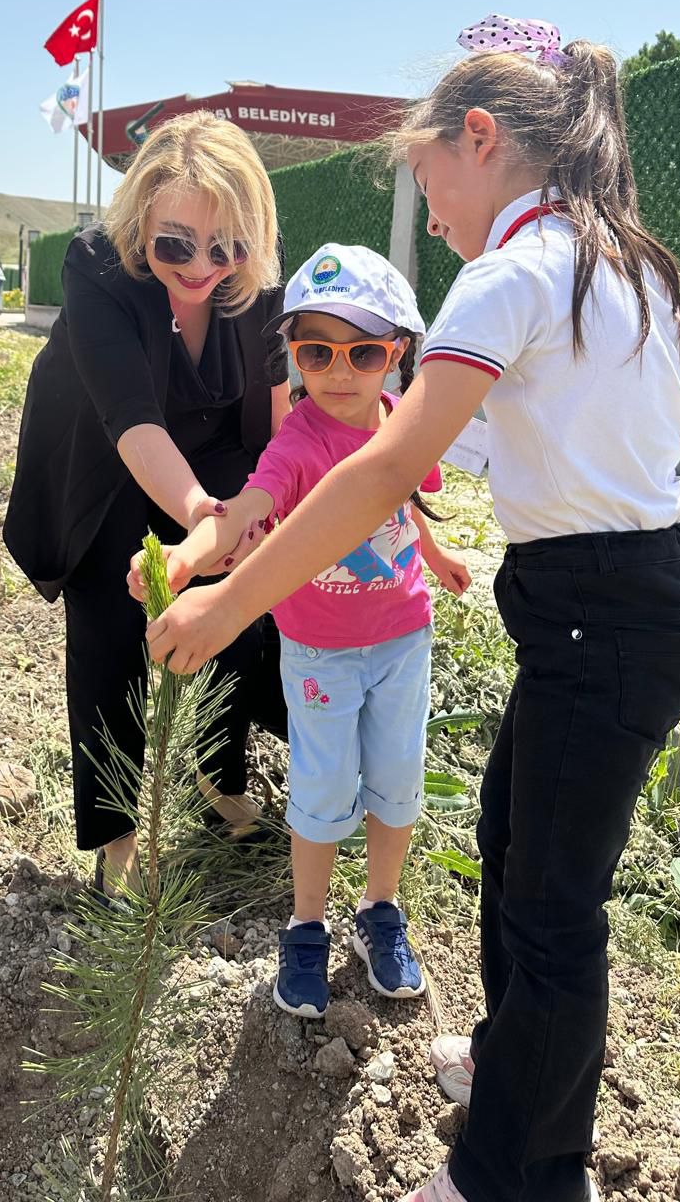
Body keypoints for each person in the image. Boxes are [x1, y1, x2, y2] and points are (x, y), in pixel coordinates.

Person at [144, 16, 680, 1202]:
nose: (437, 211)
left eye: (429, 179)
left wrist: (221, 604)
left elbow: (374, 471)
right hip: (639, 595)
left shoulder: (510, 275)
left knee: (555, 905)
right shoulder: (631, 261)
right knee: (517, 837)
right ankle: (517, 1061)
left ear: (479, 138)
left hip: (599, 614)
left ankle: (516, 1171)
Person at [131, 242, 471, 1013]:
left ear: (398, 354)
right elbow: (247, 507)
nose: (340, 369)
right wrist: (188, 557)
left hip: (403, 637)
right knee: (320, 791)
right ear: (292, 357)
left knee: (396, 780)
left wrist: (437, 551)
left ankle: (380, 910)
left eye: (364, 350)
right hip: (321, 650)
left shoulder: (402, 425)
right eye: (317, 350)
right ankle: (307, 926)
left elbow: (408, 501)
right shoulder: (300, 443)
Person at [3, 111, 291, 902]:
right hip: (105, 456)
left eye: (225, 245)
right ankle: (118, 844)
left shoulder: (257, 279)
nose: (202, 266)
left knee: (237, 616)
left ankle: (218, 782)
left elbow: (269, 405)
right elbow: (131, 419)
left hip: (213, 449)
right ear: (141, 223)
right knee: (109, 637)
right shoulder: (99, 267)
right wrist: (202, 512)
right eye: (176, 244)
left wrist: (252, 509)